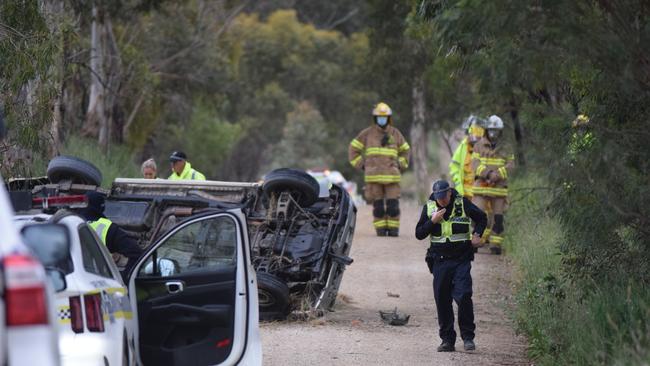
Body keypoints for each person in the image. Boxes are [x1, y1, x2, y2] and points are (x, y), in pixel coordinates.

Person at [415, 180, 487, 352]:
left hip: (461, 259)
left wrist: (477, 234)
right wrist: (432, 221)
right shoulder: (430, 207)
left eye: (444, 197)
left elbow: (482, 217)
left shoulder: (462, 203)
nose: (442, 201)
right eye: (439, 198)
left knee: (464, 296)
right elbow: (419, 234)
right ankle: (447, 340)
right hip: (439, 261)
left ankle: (468, 337)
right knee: (442, 299)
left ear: (449, 193)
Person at [348, 102, 410, 237]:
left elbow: (405, 151)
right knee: (379, 208)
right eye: (379, 117)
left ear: (389, 118)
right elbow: (353, 150)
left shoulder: (395, 133)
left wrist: (400, 163)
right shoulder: (367, 134)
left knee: (393, 207)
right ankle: (381, 232)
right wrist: (362, 165)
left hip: (392, 177)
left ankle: (393, 231)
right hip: (373, 178)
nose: (382, 120)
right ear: (375, 118)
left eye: (385, 117)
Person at [471, 115, 514, 255]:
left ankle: (495, 245)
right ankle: (475, 242)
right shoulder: (478, 146)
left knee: (498, 219)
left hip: (499, 189)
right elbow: (474, 164)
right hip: (482, 187)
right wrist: (488, 174)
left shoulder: (506, 147)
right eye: (491, 130)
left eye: (496, 130)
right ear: (486, 130)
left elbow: (511, 165)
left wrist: (499, 174)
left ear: (500, 131)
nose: (493, 133)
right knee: (478, 215)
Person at [79, 192, 143, 273]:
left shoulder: (68, 222)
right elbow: (136, 253)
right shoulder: (107, 227)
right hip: (100, 282)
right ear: (101, 207)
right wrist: (125, 277)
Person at [449, 115, 485, 199]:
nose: (475, 137)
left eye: (478, 134)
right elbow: (454, 166)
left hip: (481, 194)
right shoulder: (463, 146)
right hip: (465, 194)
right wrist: (458, 184)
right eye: (473, 132)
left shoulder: (486, 148)